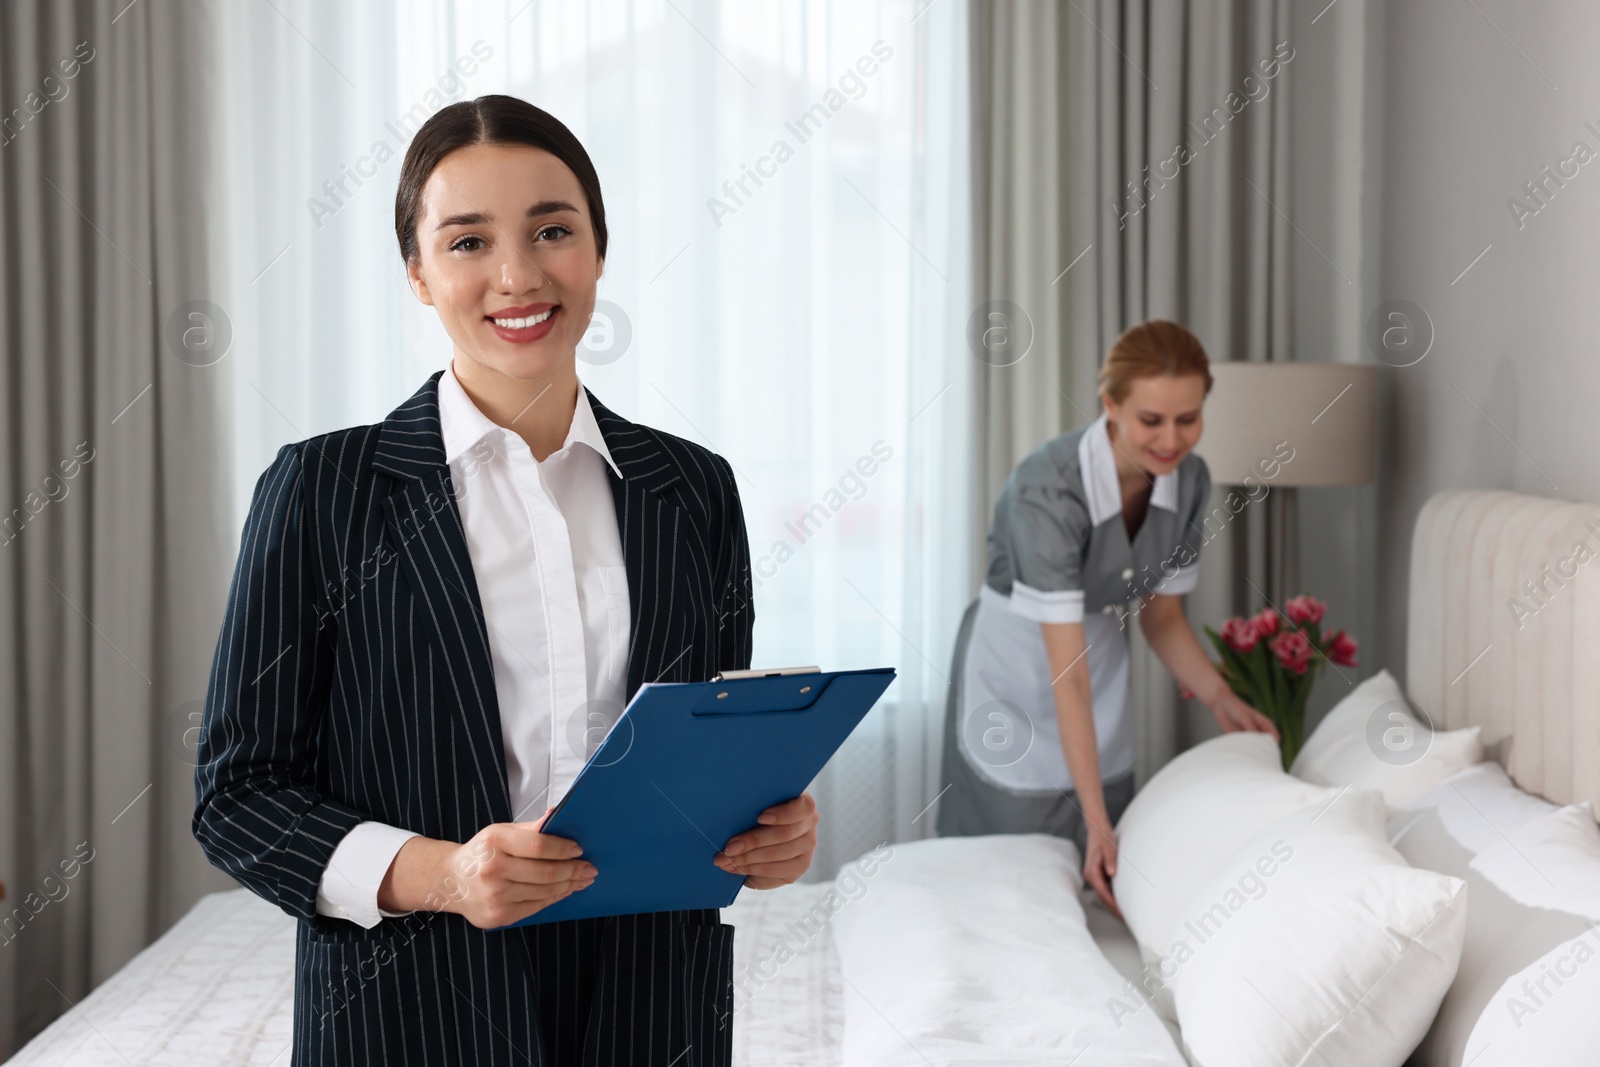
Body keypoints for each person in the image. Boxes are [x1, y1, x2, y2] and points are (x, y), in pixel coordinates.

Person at [193, 94, 818, 1067]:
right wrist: (442, 873)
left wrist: (766, 828)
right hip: (408, 1008)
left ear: (599, 250)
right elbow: (236, 793)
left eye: (552, 230)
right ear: (417, 272)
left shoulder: (692, 487)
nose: (518, 274)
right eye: (468, 240)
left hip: (652, 1001)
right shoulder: (321, 491)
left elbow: (706, 738)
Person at [936, 320, 1278, 915]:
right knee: (1008, 885)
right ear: (1110, 405)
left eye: (1188, 418)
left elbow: (1163, 619)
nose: (1171, 439)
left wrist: (1221, 698)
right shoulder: (1048, 489)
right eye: (1151, 420)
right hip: (1019, 669)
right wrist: (1097, 822)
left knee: (1100, 886)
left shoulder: (1189, 480)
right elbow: (1066, 676)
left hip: (1095, 668)